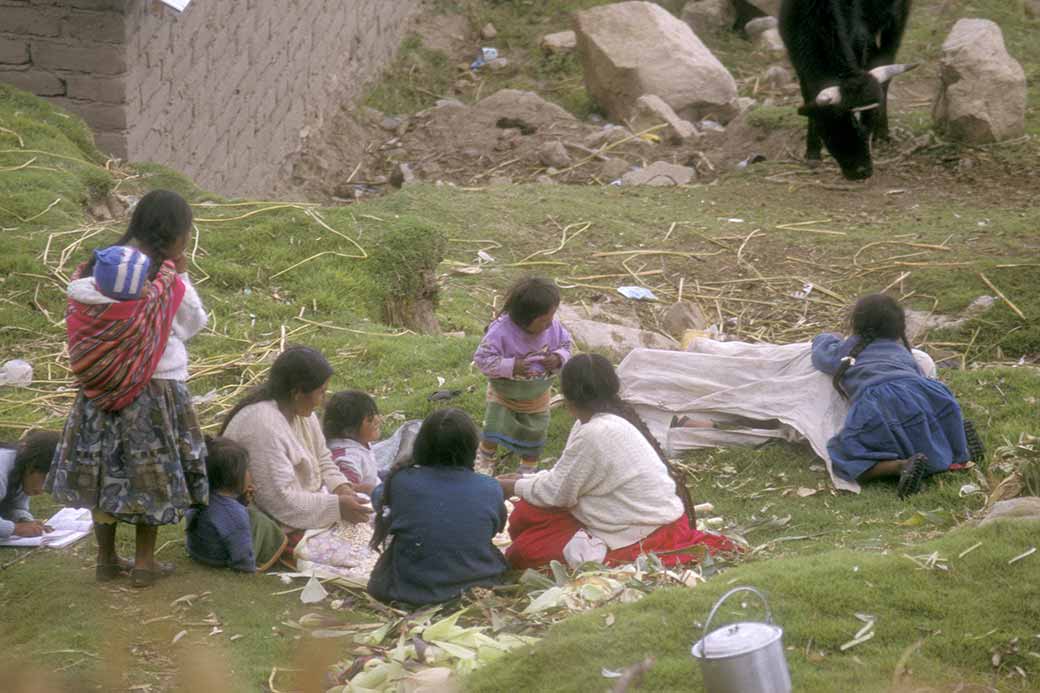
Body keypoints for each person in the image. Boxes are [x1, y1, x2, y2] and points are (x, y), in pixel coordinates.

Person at [46, 189, 209, 588]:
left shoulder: (97, 266)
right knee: (149, 475)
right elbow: (191, 325)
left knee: (105, 473)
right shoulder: (164, 277)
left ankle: (105, 559)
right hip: (154, 388)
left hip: (99, 386)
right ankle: (143, 563)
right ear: (174, 233)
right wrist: (182, 272)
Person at [498, 354, 734, 571]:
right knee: (526, 513)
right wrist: (524, 480)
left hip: (645, 533)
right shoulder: (599, 423)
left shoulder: (595, 432)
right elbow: (567, 475)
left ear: (567, 398)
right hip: (642, 519)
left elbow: (557, 493)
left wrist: (512, 486)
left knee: (524, 553)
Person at [811, 293, 976, 498]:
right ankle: (959, 448)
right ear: (898, 327)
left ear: (857, 322)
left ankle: (899, 465)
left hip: (878, 403)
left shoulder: (850, 349)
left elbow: (821, 356)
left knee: (843, 454)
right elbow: (917, 374)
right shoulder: (902, 350)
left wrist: (826, 337)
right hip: (926, 392)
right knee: (922, 424)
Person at [221, 347, 373, 561]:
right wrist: (336, 506)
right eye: (321, 392)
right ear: (297, 392)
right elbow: (278, 501)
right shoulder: (263, 425)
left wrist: (342, 487)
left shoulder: (302, 412)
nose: (323, 399)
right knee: (360, 555)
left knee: (377, 515)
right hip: (272, 519)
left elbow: (322, 458)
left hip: (307, 502)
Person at [367, 408, 509, 605]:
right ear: (471, 448)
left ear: (421, 446)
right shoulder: (490, 487)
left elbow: (378, 500)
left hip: (410, 591)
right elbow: (496, 528)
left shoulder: (401, 481)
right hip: (477, 588)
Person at [473, 277, 572, 475]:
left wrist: (558, 358)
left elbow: (567, 345)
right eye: (544, 320)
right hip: (504, 393)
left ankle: (528, 466)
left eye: (551, 317)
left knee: (536, 431)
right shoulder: (500, 332)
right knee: (494, 426)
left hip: (537, 394)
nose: (549, 324)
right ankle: (485, 457)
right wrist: (511, 366)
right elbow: (482, 360)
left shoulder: (553, 328)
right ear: (525, 318)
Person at [185, 436, 287, 573]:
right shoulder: (235, 513)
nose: (249, 474)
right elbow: (240, 547)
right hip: (217, 560)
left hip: (198, 553)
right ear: (234, 476)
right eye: (246, 470)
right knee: (262, 521)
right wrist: (247, 568)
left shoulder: (202, 496)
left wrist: (241, 501)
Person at [1, 431, 61, 541]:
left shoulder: (22, 472)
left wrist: (24, 520)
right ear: (32, 464)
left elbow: (12, 508)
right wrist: (15, 528)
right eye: (45, 480)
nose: (43, 490)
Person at [323, 390, 382, 495]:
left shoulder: (359, 442)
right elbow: (343, 487)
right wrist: (370, 489)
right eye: (370, 419)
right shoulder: (348, 458)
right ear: (349, 431)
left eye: (376, 414)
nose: (377, 420)